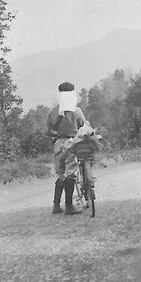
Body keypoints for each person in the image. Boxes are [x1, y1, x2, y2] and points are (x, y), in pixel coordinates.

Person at [47, 82, 86, 215]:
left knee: (60, 174)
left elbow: (48, 130)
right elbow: (83, 125)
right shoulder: (76, 111)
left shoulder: (53, 111)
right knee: (70, 174)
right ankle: (69, 206)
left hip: (58, 145)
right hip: (71, 144)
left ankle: (56, 205)